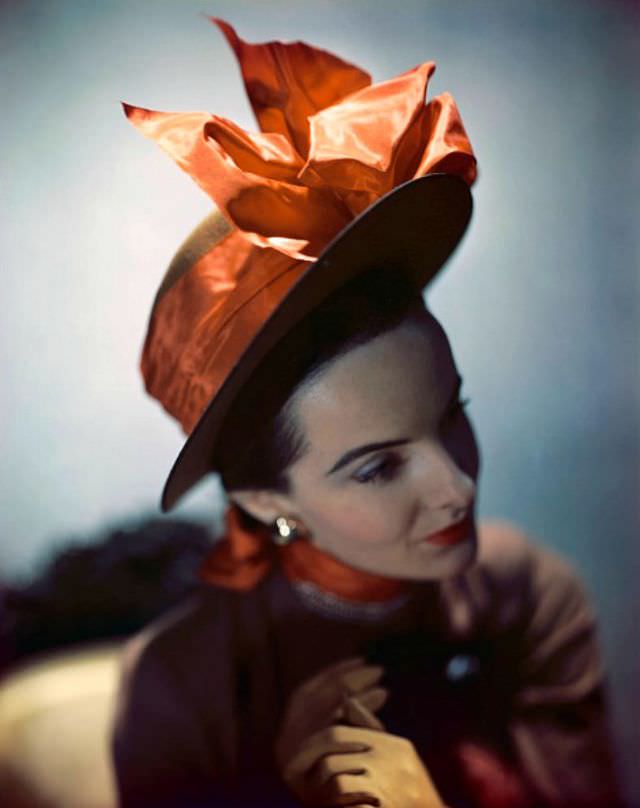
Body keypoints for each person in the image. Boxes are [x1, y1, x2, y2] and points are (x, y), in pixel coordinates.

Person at [112, 19, 623, 808]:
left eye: (454, 414)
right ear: (267, 502)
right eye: (379, 465)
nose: (457, 486)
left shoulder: (527, 593)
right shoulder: (181, 688)